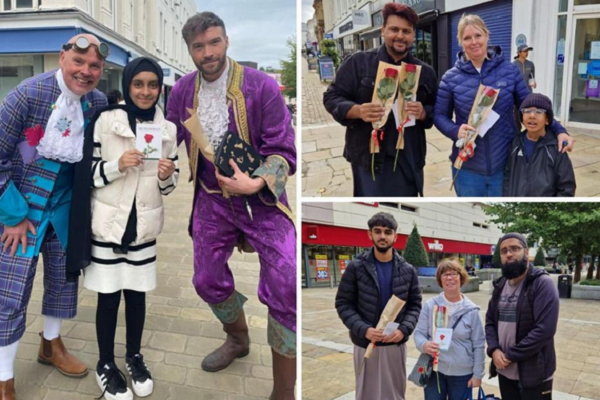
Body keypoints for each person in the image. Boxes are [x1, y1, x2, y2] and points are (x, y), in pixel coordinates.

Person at [166, 12, 296, 399]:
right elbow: (166, 137)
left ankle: (284, 389)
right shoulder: (180, 91)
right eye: (199, 46)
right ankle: (237, 338)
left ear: (227, 40)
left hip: (263, 200)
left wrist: (254, 182)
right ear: (189, 49)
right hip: (210, 198)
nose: (208, 53)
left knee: (287, 282)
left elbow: (283, 152)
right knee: (205, 278)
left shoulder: (262, 87)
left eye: (214, 42)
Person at [0, 34, 108, 399]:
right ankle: (4, 377)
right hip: (20, 211)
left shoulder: (98, 102)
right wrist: (12, 215)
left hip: (66, 209)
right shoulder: (26, 95)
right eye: (79, 62)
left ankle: (51, 345)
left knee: (63, 283)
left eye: (94, 66)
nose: (86, 71)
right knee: (10, 295)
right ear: (63, 58)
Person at [77, 57, 178, 400]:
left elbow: (170, 184)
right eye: (139, 84)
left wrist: (167, 176)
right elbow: (86, 175)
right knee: (108, 298)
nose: (146, 91)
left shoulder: (168, 130)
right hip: (108, 225)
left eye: (153, 85)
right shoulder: (104, 121)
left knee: (136, 296)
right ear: (129, 85)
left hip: (144, 227)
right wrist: (116, 165)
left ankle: (133, 356)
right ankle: (105, 364)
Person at [434, 14, 574, 197]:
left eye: (478, 35)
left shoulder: (509, 71)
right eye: (467, 38)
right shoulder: (450, 78)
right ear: (461, 42)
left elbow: (530, 106)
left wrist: (559, 130)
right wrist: (455, 131)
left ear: (487, 36)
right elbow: (439, 115)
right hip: (468, 168)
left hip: (506, 164)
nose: (474, 42)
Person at [323, 3, 438, 197]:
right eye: (394, 29)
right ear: (383, 30)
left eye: (406, 31)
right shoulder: (358, 63)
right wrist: (357, 110)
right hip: (369, 157)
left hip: (409, 155)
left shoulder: (425, 72)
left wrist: (423, 112)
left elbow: (435, 108)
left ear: (413, 34)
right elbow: (331, 97)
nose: (400, 36)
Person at [335, 212, 422, 400]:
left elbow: (415, 305)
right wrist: (364, 329)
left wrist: (404, 330)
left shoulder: (407, 270)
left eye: (388, 232)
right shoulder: (356, 267)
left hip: (394, 344)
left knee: (394, 393)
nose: (383, 236)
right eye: (378, 231)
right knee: (367, 393)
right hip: (365, 343)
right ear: (370, 234)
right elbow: (343, 304)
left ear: (395, 236)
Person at [485, 233, 559, 400]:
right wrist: (494, 349)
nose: (509, 254)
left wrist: (509, 355)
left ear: (526, 252)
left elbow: (544, 330)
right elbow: (490, 322)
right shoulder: (500, 285)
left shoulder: (542, 283)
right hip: (504, 370)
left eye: (514, 248)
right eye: (504, 251)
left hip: (534, 374)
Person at [414, 260, 485, 400]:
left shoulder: (472, 310)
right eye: (445, 274)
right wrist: (424, 345)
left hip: (462, 373)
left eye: (454, 274)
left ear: (461, 277)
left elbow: (479, 345)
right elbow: (419, 333)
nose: (450, 278)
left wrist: (478, 375)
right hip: (435, 371)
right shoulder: (430, 306)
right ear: (440, 279)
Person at [503, 93, 575, 196]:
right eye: (527, 111)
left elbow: (567, 187)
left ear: (547, 119)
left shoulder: (556, 148)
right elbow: (508, 177)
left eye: (539, 111)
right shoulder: (515, 143)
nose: (532, 115)